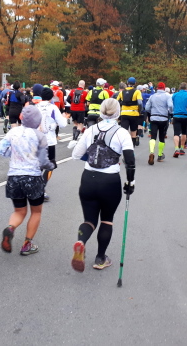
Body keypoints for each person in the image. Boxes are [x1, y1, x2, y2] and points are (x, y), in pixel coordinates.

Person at [70, 98, 135, 272]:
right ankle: (100, 258)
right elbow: (130, 160)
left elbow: (76, 155)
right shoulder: (122, 133)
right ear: (118, 113)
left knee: (89, 220)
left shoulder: (90, 130)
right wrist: (130, 182)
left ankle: (81, 242)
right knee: (107, 220)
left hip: (88, 179)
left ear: (100, 111)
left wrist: (90, 155)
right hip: (110, 181)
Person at [0, 105, 55, 255]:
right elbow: (43, 161)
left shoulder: (13, 132)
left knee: (19, 211)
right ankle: (26, 244)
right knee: (36, 212)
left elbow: (1, 150)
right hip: (33, 178)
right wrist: (51, 165)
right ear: (38, 120)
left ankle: (10, 228)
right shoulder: (39, 135)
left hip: (14, 177)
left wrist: (13, 154)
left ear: (21, 117)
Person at [36, 87, 68, 201]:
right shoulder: (53, 108)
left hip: (36, 139)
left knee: (37, 165)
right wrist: (64, 118)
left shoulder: (36, 107)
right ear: (51, 97)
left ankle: (34, 187)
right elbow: (63, 124)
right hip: (49, 141)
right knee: (50, 165)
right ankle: (41, 189)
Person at [145, 82, 173, 164]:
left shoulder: (152, 96)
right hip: (163, 118)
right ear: (164, 88)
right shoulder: (167, 96)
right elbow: (170, 106)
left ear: (157, 88)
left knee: (153, 137)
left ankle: (151, 152)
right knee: (161, 137)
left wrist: (152, 112)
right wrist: (170, 112)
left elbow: (147, 107)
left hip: (154, 118)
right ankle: (160, 155)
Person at [116, 77, 143, 146]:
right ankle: (132, 148)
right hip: (134, 114)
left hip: (124, 114)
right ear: (135, 83)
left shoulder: (122, 92)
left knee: (124, 132)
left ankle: (123, 148)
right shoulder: (137, 92)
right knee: (133, 132)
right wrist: (140, 111)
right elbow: (140, 103)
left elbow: (116, 102)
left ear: (127, 83)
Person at [171, 82, 187, 158]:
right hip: (185, 115)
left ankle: (176, 148)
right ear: (186, 88)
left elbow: (172, 104)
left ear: (180, 87)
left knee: (176, 133)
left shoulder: (175, 95)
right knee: (184, 132)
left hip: (176, 115)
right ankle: (182, 148)